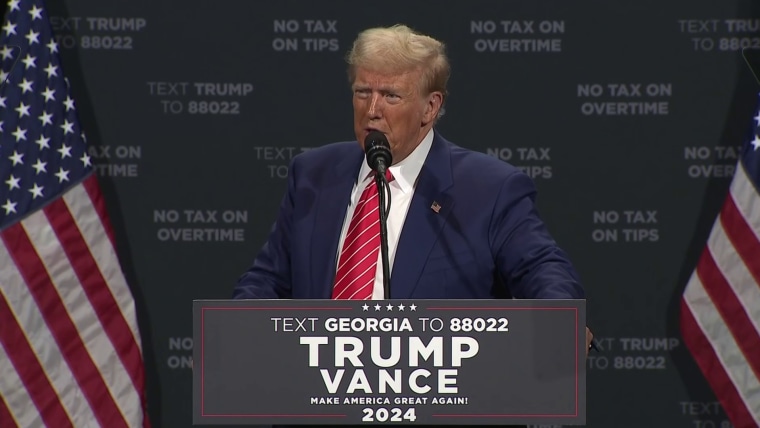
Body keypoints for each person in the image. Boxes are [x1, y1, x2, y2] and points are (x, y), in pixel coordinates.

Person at [233, 24, 593, 428]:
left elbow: (542, 267)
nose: (372, 109)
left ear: (430, 107)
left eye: (391, 95)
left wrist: (558, 319)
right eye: (362, 92)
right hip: (320, 405)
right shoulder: (314, 174)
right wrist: (235, 333)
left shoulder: (488, 188)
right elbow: (268, 279)